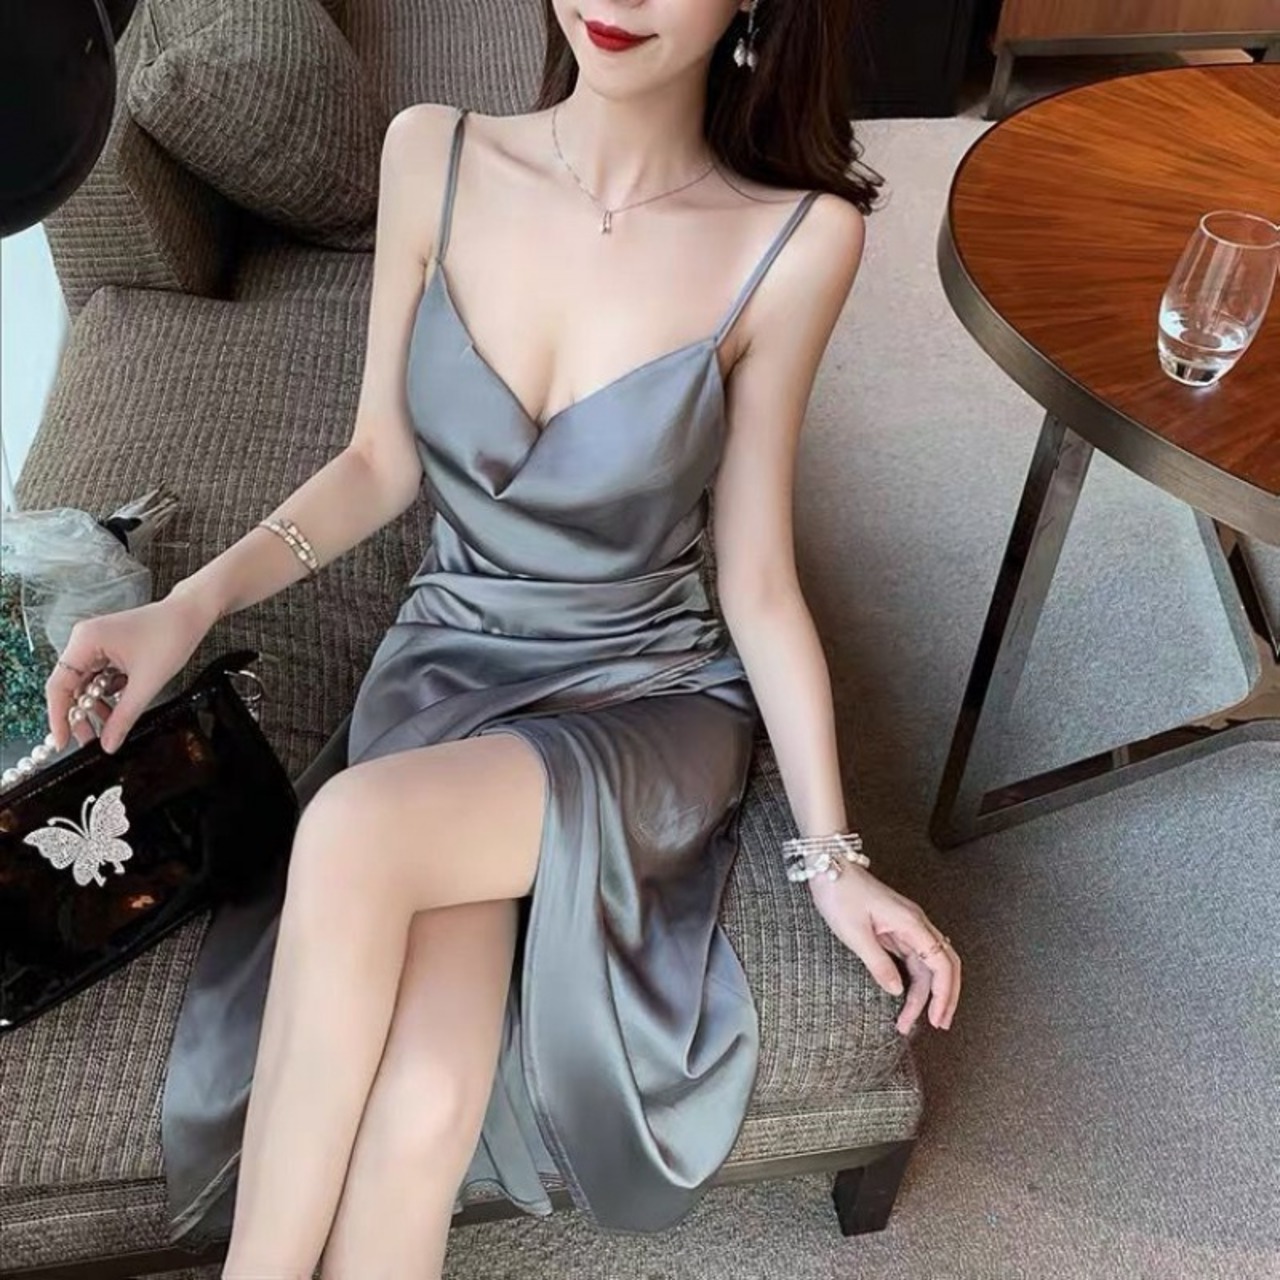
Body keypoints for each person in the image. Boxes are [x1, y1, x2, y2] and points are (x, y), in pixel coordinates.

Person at [44, 2, 962, 1277]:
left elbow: (757, 580)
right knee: (425, 1097)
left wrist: (832, 855)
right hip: (452, 660)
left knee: (353, 828)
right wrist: (187, 602)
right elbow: (377, 464)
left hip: (639, 692)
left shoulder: (797, 239)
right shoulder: (432, 150)